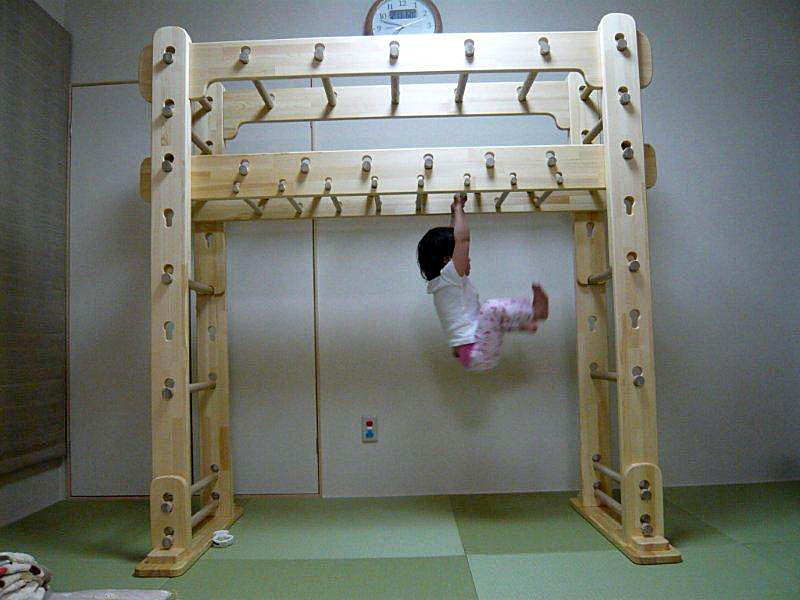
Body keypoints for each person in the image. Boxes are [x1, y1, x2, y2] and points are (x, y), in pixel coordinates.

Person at [417, 194, 549, 371]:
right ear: (448, 260)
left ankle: (522, 323)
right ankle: (535, 312)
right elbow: (461, 240)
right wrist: (459, 208)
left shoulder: (443, 283)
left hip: (470, 352)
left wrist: (456, 214)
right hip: (476, 350)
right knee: (490, 308)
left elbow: (455, 241)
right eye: (464, 257)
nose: (467, 259)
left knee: (486, 317)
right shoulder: (449, 276)